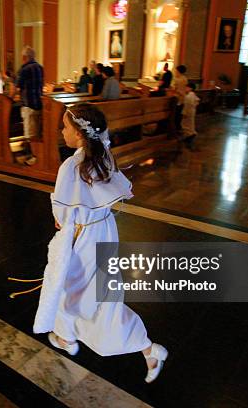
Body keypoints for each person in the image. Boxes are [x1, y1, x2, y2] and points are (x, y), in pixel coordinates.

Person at [33, 103, 168, 384]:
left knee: (74, 288)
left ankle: (144, 347)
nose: (61, 131)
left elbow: (63, 213)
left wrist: (64, 225)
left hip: (83, 236)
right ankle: (68, 336)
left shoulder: (72, 165)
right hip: (104, 230)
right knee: (92, 292)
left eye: (65, 127)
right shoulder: (102, 154)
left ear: (80, 134)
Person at [16, 46, 43, 145]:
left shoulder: (24, 69)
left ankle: (33, 156)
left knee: (30, 134)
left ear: (24, 57)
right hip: (39, 104)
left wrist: (10, 97)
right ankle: (37, 154)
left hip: (28, 104)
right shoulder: (40, 68)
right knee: (37, 132)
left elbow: (17, 87)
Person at [181, 82, 200, 150]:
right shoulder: (193, 95)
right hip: (192, 112)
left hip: (188, 112)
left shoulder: (188, 96)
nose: (185, 89)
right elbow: (197, 101)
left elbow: (187, 106)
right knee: (190, 124)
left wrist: (184, 113)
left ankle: (190, 136)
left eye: (186, 87)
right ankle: (189, 136)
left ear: (190, 88)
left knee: (185, 125)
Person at [173, 65, 188, 131]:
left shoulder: (177, 79)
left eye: (176, 70)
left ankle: (175, 128)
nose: (175, 72)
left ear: (178, 71)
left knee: (176, 115)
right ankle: (178, 128)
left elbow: (174, 88)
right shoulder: (185, 79)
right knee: (179, 115)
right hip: (183, 98)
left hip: (177, 98)